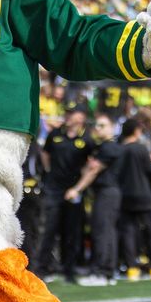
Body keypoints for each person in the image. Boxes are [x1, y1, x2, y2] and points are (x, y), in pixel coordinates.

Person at [33, 109, 94, 283]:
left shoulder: (86, 139)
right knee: (49, 229)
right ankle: (41, 269)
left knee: (72, 231)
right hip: (54, 188)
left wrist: (79, 187)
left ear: (81, 118)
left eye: (72, 115)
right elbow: (45, 154)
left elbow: (92, 165)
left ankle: (69, 270)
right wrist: (49, 172)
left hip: (73, 190)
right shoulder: (55, 134)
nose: (67, 118)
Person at [66, 113, 121, 286]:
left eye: (102, 125)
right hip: (109, 192)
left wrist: (76, 189)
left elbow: (93, 171)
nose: (98, 128)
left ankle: (101, 272)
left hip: (106, 192)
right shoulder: (106, 146)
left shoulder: (108, 147)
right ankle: (108, 271)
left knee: (101, 231)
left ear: (112, 127)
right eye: (97, 125)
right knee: (108, 231)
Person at [114, 116, 151, 279]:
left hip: (126, 194)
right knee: (150, 231)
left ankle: (132, 268)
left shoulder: (120, 149)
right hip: (144, 194)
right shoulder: (141, 149)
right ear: (136, 131)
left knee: (128, 230)